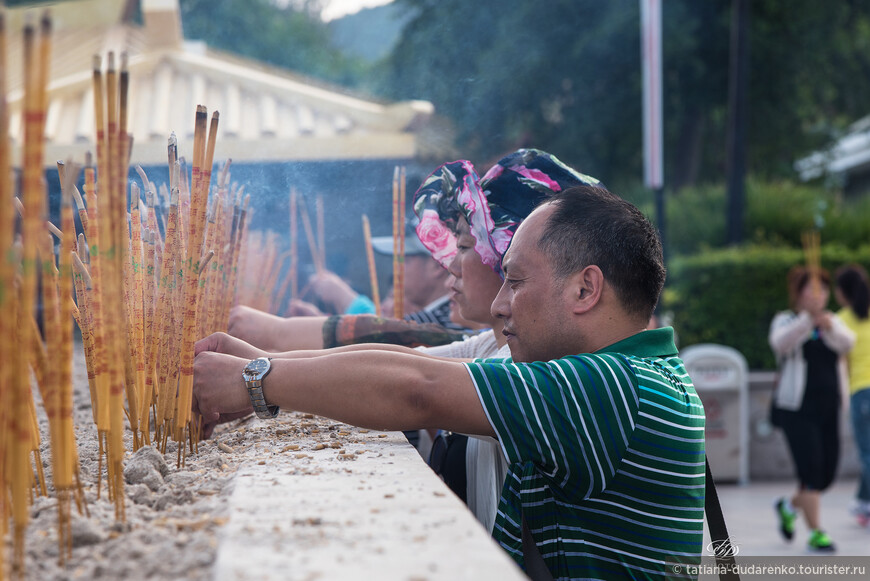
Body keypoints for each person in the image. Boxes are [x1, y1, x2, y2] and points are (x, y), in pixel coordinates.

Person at [193, 184, 704, 579]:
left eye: (517, 280)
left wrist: (257, 380)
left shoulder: (615, 389)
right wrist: (261, 362)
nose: (501, 304)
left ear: (586, 288)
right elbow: (424, 366)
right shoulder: (604, 372)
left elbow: (419, 389)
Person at [769, 265, 855, 552]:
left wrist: (826, 326)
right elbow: (780, 344)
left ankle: (788, 506)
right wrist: (807, 321)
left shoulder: (833, 322)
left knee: (826, 475)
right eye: (811, 289)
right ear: (799, 292)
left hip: (829, 408)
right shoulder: (787, 319)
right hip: (797, 410)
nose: (818, 295)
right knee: (811, 470)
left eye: (823, 289)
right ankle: (817, 532)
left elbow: (848, 343)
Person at [834, 264, 870, 526]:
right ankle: (862, 503)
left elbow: (840, 364)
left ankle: (863, 503)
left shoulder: (840, 320)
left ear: (842, 292)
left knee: (868, 454)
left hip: (862, 393)